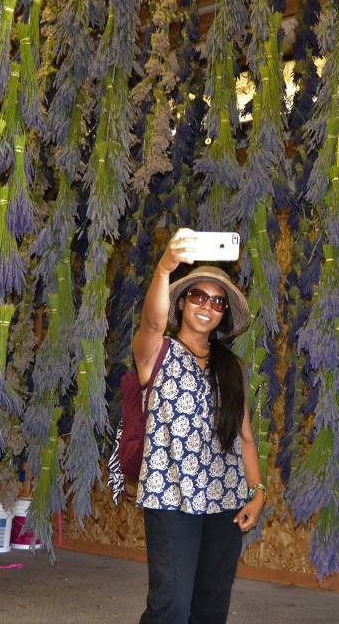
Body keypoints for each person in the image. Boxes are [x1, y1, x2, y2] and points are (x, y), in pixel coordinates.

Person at [133, 228, 266, 624]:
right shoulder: (157, 353)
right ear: (181, 303)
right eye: (198, 296)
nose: (207, 306)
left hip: (224, 500)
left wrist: (257, 493)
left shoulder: (231, 367)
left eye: (217, 302)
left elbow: (244, 437)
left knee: (210, 608)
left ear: (224, 314)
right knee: (170, 605)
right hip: (170, 497)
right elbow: (151, 322)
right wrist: (163, 269)